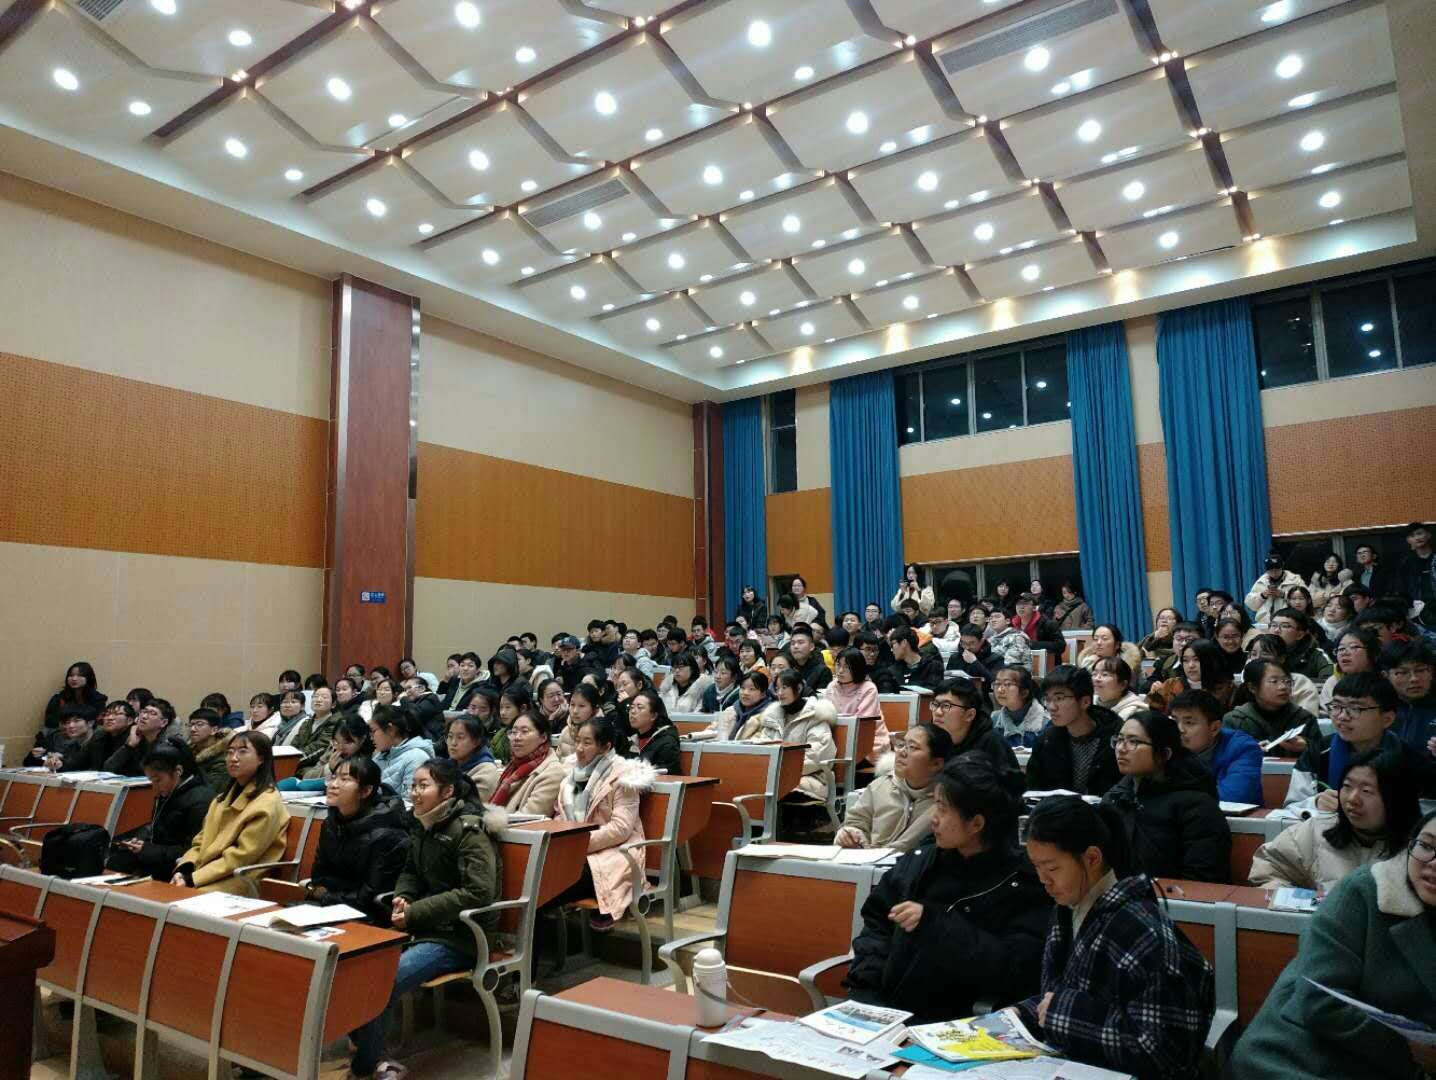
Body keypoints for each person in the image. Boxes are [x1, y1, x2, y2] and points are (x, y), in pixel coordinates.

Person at [1018, 797, 1215, 1080]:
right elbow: (1059, 997)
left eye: (1052, 869)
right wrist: (1019, 1014)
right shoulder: (1069, 907)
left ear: (1092, 858)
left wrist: (1061, 1013)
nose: (1043, 880)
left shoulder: (1141, 931)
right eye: (1036, 868)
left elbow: (1160, 1052)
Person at [1231, 810, 1436, 1080]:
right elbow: (1318, 1002)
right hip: (1299, 1056)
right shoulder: (1363, 892)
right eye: (1426, 846)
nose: (1433, 863)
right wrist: (1409, 1052)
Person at [845, 755, 1050, 1022]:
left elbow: (1013, 967)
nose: (933, 818)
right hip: (885, 1011)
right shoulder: (920, 862)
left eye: (942, 809)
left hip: (958, 1023)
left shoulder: (1023, 883)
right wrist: (866, 991)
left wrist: (935, 924)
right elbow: (876, 926)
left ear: (976, 824)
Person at [349, 759, 503, 1080]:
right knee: (359, 964)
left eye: (423, 786)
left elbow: (478, 892)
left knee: (385, 979)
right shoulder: (423, 824)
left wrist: (415, 912)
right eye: (413, 786)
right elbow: (411, 871)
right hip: (427, 927)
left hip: (460, 935)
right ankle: (368, 1045)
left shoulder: (469, 830)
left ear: (447, 792)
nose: (415, 793)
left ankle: (368, 1065)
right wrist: (403, 896)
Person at [1250, 749, 1421, 892]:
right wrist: (1291, 900)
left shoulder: (1420, 849)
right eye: (1347, 786)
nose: (1352, 799)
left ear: (1397, 799)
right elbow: (1270, 867)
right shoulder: (1316, 831)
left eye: (1366, 791)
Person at [551, 716, 655, 931]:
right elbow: (560, 814)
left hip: (615, 851)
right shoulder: (570, 773)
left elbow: (621, 828)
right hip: (574, 848)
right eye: (578, 741)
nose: (579, 748)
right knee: (543, 876)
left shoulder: (623, 776)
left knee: (554, 883)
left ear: (605, 747)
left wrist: (579, 844)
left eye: (587, 743)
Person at [1103, 710, 1231, 882]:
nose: (1121, 748)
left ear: (1164, 754)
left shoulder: (1197, 807)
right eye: (1119, 740)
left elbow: (1202, 877)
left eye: (1133, 742)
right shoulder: (1116, 797)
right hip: (1121, 894)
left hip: (1176, 896)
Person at [1286, 672, 1433, 810]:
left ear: (1387, 719)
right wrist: (1315, 803)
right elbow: (1291, 807)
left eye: (1356, 708)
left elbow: (1426, 815)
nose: (1342, 716)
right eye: (1336, 706)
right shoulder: (1317, 752)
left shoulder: (1411, 761)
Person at [173, 732, 289, 895]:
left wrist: (192, 879)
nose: (233, 758)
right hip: (208, 872)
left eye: (242, 751)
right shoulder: (221, 799)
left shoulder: (267, 803)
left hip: (241, 877)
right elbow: (200, 841)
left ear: (261, 759)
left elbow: (240, 857)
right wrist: (185, 869)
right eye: (230, 752)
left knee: (181, 899)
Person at [306, 755, 410, 925]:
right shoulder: (331, 824)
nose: (333, 785)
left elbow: (368, 897)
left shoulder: (388, 835)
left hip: (368, 916)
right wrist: (325, 893)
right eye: (333, 777)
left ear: (366, 791)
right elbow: (318, 878)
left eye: (345, 779)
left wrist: (326, 894)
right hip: (329, 905)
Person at [838, 724, 954, 851]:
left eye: (912, 747)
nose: (901, 752)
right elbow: (856, 822)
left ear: (936, 764)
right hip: (869, 859)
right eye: (901, 744)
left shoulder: (945, 803)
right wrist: (850, 834)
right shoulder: (881, 785)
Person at [107, 743, 213, 881]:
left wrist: (149, 850)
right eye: (151, 781)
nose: (154, 787)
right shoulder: (169, 792)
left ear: (178, 771)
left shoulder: (200, 801)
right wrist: (142, 842)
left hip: (178, 869)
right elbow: (158, 830)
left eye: (158, 780)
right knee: (113, 861)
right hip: (158, 857)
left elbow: (193, 850)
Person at [740, 669, 838, 802]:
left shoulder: (816, 717)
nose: (779, 693)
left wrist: (779, 769)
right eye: (777, 688)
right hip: (775, 774)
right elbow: (762, 744)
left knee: (768, 786)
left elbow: (817, 755)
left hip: (809, 778)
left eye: (784, 688)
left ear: (799, 688)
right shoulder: (774, 717)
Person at [1026, 667, 1122, 797]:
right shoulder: (1046, 741)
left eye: (1059, 698)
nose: (1051, 707)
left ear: (1085, 702)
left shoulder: (1116, 740)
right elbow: (1033, 790)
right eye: (1047, 699)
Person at [1171, 689, 1263, 805]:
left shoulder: (1243, 748)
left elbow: (1234, 797)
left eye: (1189, 723)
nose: (1179, 729)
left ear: (1214, 728)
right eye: (1174, 721)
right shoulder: (1165, 747)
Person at [1225, 659, 1321, 755]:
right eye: (1274, 681)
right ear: (1252, 687)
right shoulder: (1235, 720)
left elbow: (1323, 752)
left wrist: (1307, 746)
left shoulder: (1303, 718)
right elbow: (1223, 756)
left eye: (1287, 681)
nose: (1283, 687)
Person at [928, 678, 1020, 776]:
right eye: (935, 704)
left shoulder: (992, 744)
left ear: (969, 715)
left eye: (946, 706)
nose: (937, 712)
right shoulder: (930, 739)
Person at [492, 712, 563, 817]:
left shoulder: (553, 773)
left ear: (543, 737)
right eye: (513, 732)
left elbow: (529, 819)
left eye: (524, 731)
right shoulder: (513, 765)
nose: (516, 737)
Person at [823, 647, 890, 759]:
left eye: (846, 667)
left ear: (857, 668)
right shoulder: (832, 686)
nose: (840, 671)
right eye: (838, 665)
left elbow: (862, 723)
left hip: (868, 743)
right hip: (837, 741)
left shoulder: (868, 688)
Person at [34, 660, 106, 756]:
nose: (74, 679)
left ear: (88, 678)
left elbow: (97, 720)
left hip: (86, 733)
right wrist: (66, 724)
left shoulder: (98, 699)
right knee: (46, 732)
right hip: (62, 731)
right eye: (71, 675)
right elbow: (50, 721)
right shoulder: (59, 698)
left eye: (79, 675)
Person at [1381, 639, 1436, 760]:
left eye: (1420, 670)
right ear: (1386, 676)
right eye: (1402, 672)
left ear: (1431, 672)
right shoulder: (1376, 708)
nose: (1414, 679)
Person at [104, 698, 183, 776]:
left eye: (152, 713)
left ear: (163, 722)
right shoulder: (135, 738)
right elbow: (108, 768)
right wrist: (129, 746)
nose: (144, 716)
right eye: (144, 711)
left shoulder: (168, 746)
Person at [369, 704, 434, 798]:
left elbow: (411, 801)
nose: (371, 737)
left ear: (390, 729)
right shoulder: (380, 756)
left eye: (373, 731)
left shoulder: (417, 757)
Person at [690, 670, 772, 742]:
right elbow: (712, 730)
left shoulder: (768, 718)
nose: (745, 693)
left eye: (752, 689)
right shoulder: (730, 711)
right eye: (743, 688)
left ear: (763, 694)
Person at [282, 685, 343, 776]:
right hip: (297, 764)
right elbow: (294, 745)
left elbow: (318, 749)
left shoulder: (336, 724)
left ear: (333, 704)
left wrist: (290, 762)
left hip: (315, 768)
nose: (318, 700)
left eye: (324, 697)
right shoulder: (306, 723)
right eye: (315, 696)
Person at [1321, 627, 1381, 715]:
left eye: (1353, 647)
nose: (1344, 653)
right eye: (1341, 649)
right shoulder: (1333, 682)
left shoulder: (1386, 680)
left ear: (1372, 652)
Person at [1271, 607, 1335, 683]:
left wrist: (1294, 682)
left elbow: (1329, 682)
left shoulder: (1316, 655)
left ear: (1300, 635)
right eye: (1273, 625)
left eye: (1285, 626)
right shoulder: (1261, 650)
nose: (1276, 630)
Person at [445, 713, 499, 800]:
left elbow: (470, 805)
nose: (453, 743)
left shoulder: (486, 773)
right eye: (450, 736)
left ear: (476, 742)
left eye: (460, 737)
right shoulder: (448, 765)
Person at [991, 666, 1049, 747]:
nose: (999, 690)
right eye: (997, 684)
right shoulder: (994, 719)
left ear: (1024, 692)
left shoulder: (1045, 722)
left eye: (1007, 684)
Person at [627, 688, 680, 774]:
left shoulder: (667, 743)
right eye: (631, 707)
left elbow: (665, 775)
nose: (632, 711)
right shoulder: (632, 740)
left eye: (639, 707)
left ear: (653, 716)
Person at [1245, 550, 1304, 625]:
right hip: (1265, 623)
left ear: (1282, 568)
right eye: (1271, 570)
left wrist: (1284, 595)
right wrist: (1262, 595)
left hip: (1289, 621)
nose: (1274, 573)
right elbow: (1250, 605)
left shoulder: (1295, 580)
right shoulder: (1261, 581)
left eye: (1277, 570)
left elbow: (1306, 599)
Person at [185, 708, 235, 792]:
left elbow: (211, 792)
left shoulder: (223, 759)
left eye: (199, 724)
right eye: (190, 724)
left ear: (214, 730)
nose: (192, 729)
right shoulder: (187, 751)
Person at [1400, 521, 1436, 636]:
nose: (1417, 538)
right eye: (1412, 536)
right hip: (1421, 612)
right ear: (1408, 540)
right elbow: (1402, 589)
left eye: (1419, 533)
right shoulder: (1406, 563)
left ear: (1428, 535)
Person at [44, 706, 106, 773]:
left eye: (76, 721)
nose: (71, 726)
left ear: (90, 723)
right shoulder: (74, 744)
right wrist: (58, 762)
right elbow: (73, 764)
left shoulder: (99, 741)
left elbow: (96, 770)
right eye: (67, 722)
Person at [1014, 593, 1066, 662]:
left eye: (1025, 603)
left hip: (1046, 663)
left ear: (1034, 608)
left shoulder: (1048, 624)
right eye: (1018, 604)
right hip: (1018, 663)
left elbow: (1060, 646)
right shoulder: (1012, 625)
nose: (1021, 607)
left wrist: (1032, 644)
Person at [785, 625, 833, 694]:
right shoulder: (788, 667)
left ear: (811, 646)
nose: (795, 646)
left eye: (800, 642)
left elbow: (821, 697)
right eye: (792, 643)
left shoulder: (823, 671)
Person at [1076, 623, 1143, 674]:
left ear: (1117, 645)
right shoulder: (1088, 662)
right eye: (1095, 639)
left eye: (1104, 639)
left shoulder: (1129, 664)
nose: (1098, 643)